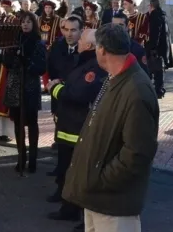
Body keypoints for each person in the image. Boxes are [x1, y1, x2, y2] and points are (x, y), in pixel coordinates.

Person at [63, 24, 159, 232]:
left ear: (102, 50)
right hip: (96, 197)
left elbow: (138, 152)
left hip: (113, 203)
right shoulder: (114, 78)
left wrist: (101, 179)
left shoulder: (136, 90)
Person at [46, 28, 106, 223]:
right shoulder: (83, 61)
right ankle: (68, 208)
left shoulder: (93, 67)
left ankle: (78, 214)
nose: (77, 41)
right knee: (66, 170)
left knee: (76, 173)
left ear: (88, 45)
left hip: (76, 129)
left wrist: (55, 88)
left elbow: (78, 94)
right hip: (68, 126)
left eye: (81, 39)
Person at [2, 10, 47, 173]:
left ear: (33, 24)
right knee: (18, 123)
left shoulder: (38, 42)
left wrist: (27, 62)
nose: (25, 24)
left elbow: (42, 67)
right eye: (23, 22)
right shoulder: (14, 40)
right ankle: (21, 157)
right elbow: (6, 62)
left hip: (30, 86)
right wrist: (11, 58)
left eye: (28, 22)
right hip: (15, 85)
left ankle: (33, 159)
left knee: (32, 123)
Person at [46, 16, 84, 180]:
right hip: (58, 96)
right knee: (59, 131)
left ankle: (70, 172)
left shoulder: (84, 50)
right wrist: (55, 81)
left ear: (81, 31)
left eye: (73, 30)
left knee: (73, 139)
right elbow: (51, 66)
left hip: (75, 100)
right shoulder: (58, 45)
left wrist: (63, 81)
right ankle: (60, 167)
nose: (69, 34)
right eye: (66, 30)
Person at [146, 0, 173, 99]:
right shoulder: (162, 15)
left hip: (157, 49)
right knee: (159, 70)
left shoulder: (155, 17)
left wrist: (151, 47)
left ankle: (157, 90)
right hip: (163, 48)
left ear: (151, 6)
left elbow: (155, 34)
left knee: (155, 70)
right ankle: (159, 90)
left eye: (149, 6)